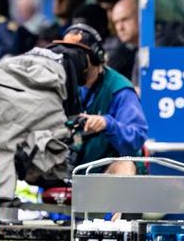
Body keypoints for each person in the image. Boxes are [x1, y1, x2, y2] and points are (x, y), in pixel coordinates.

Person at [55, 23, 148, 176]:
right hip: (69, 169)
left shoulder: (120, 89)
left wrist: (107, 124)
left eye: (76, 54)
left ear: (95, 55)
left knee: (124, 167)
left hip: (104, 174)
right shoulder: (62, 83)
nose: (70, 60)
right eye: (67, 53)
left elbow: (136, 137)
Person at [111, 0, 140, 86]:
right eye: (116, 22)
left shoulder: (159, 46)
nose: (120, 28)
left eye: (125, 19)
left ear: (140, 16)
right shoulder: (123, 53)